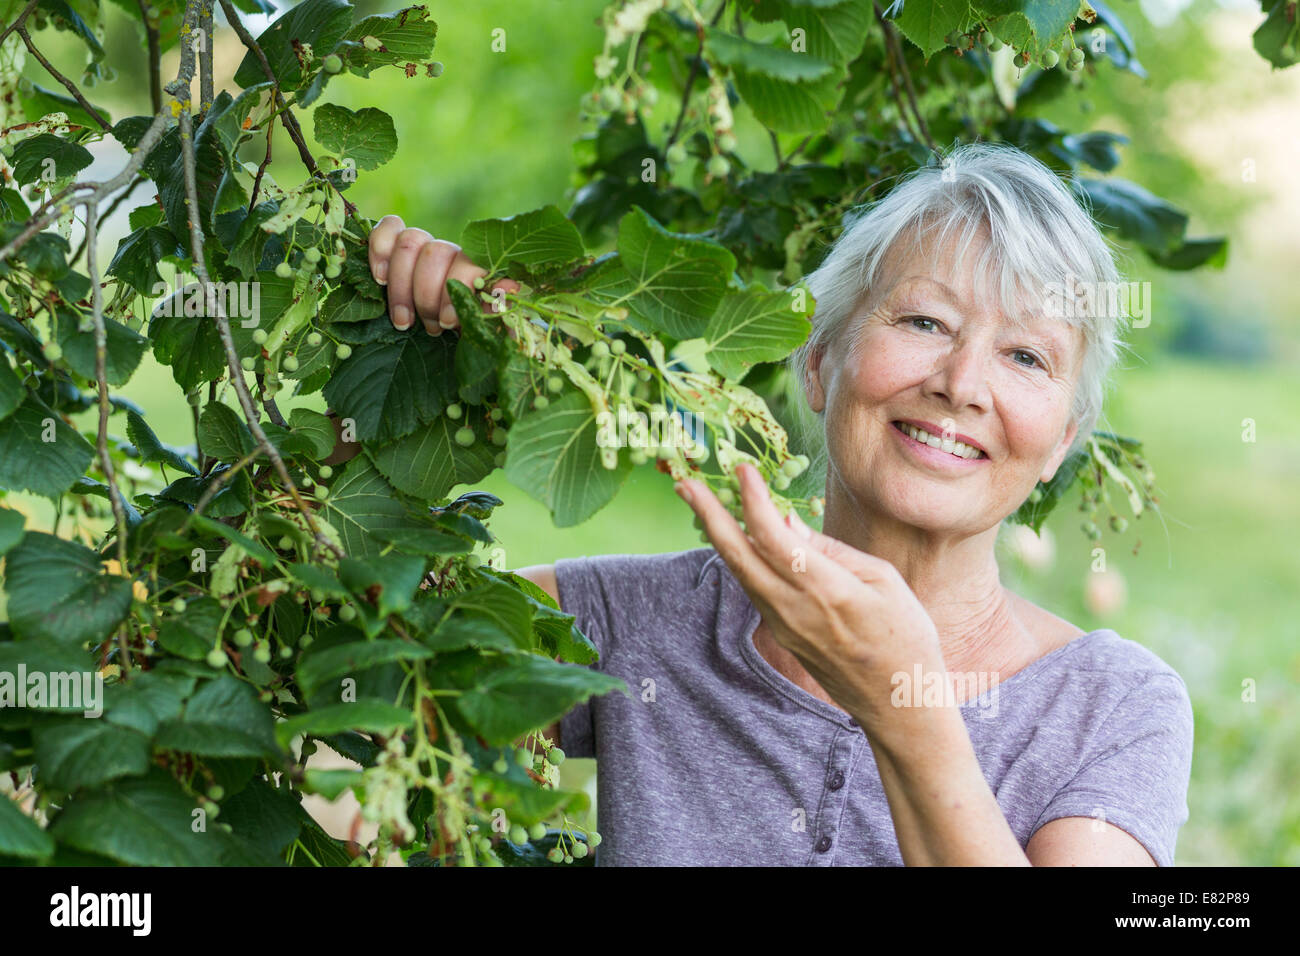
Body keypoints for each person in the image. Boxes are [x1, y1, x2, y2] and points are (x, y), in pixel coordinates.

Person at [360, 142, 1194, 866]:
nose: (961, 384)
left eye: (1024, 355)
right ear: (819, 363)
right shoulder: (628, 622)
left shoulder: (1110, 704)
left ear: (1061, 444)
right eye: (926, 321)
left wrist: (902, 704)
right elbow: (338, 649)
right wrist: (405, 379)